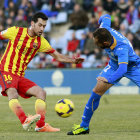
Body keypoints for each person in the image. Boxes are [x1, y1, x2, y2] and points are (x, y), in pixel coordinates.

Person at [0, 12, 84, 132]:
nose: (42, 28)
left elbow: (57, 56)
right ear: (32, 23)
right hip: (5, 70)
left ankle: (40, 126)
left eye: (44, 26)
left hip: (19, 75)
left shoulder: (40, 42)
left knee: (41, 93)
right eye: (39, 25)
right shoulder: (15, 31)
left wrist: (73, 60)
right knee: (12, 93)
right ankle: (24, 120)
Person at [67, 14, 140, 135]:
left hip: (132, 67)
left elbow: (123, 69)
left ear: (105, 42)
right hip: (114, 65)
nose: (95, 44)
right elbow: (106, 16)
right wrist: (96, 21)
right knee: (96, 92)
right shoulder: (104, 29)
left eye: (97, 43)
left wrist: (108, 79)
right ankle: (84, 127)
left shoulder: (121, 48)